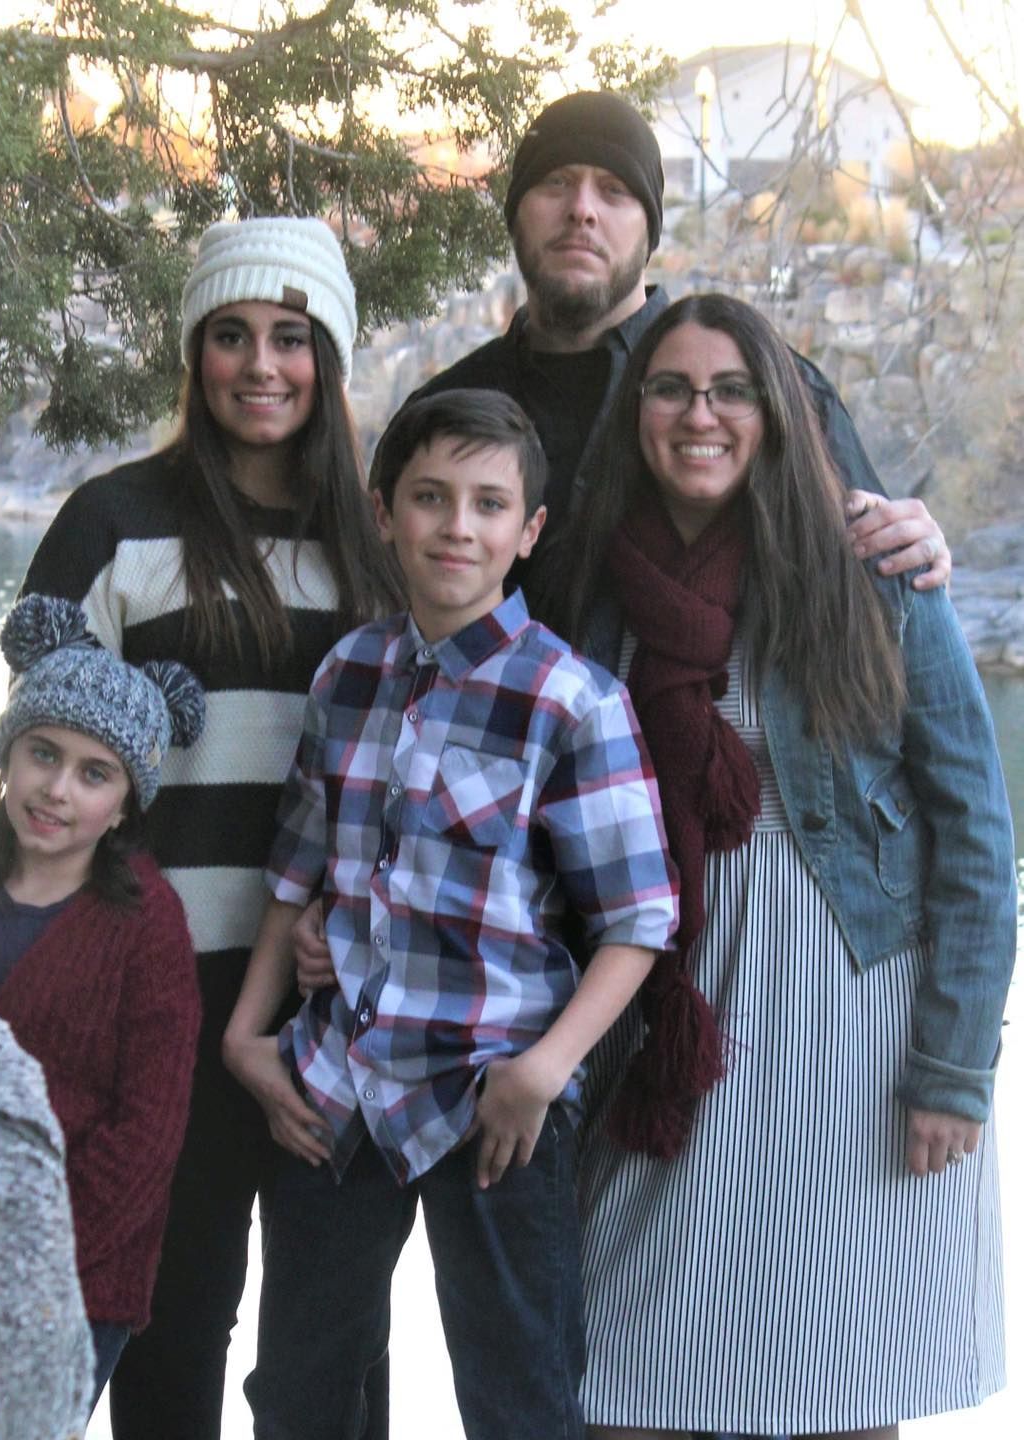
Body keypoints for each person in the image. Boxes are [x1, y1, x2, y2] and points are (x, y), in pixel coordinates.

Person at [531, 293, 1017, 1440]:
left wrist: (953, 1068)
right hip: (658, 1009)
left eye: (731, 389)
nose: (700, 413)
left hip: (853, 1023)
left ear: (776, 415)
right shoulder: (591, 594)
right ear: (635, 410)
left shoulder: (873, 573)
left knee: (839, 1381)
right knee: (619, 1381)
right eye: (670, 387)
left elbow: (978, 834)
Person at [221, 389, 680, 1440]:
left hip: (494, 1102)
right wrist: (249, 1037)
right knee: (299, 1389)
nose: (456, 527)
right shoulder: (349, 675)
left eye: (486, 505)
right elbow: (296, 870)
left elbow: (640, 920)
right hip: (336, 1089)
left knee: (518, 1398)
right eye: (430, 498)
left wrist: (543, 1072)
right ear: (385, 512)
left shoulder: (570, 698)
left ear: (529, 533)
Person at [18, 217, 402, 1440]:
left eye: (292, 338)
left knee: (332, 1347)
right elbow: (44, 783)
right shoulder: (114, 523)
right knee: (171, 1317)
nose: (261, 364)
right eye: (230, 336)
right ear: (195, 355)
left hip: (330, 995)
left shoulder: (383, 544)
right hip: (152, 986)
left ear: (328, 357)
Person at [408, 89, 951, 589]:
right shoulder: (442, 410)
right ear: (516, 214)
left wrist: (916, 548)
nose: (582, 209)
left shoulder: (779, 392)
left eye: (615, 190)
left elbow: (880, 569)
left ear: (650, 231)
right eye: (556, 182)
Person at [0, 593, 206, 1411]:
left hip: (73, 1275)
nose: (57, 789)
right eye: (42, 754)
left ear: (126, 804)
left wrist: (21, 1251)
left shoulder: (148, 929)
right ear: (7, 755)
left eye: (93, 772)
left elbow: (148, 1134)